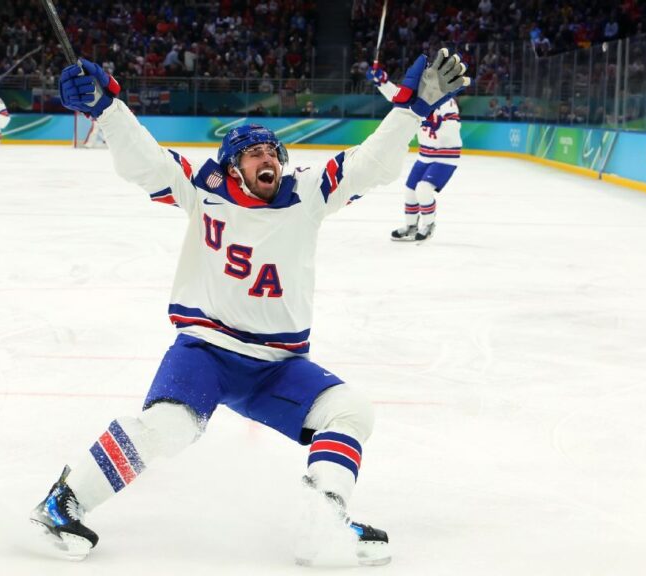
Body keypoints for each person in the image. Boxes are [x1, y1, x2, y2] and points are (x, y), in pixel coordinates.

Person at [30, 50, 468, 566]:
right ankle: (63, 501)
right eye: (254, 153)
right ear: (232, 165)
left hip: (277, 368)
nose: (268, 159)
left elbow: (371, 164)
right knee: (171, 426)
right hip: (207, 351)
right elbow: (144, 159)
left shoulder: (308, 191)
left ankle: (321, 523)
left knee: (350, 411)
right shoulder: (202, 190)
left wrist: (412, 110)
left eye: (272, 151)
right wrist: (107, 108)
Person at [368, 64, 462, 242]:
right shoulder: (418, 98)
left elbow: (452, 127)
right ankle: (411, 226)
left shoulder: (447, 102)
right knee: (410, 190)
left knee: (423, 189)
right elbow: (397, 96)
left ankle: (428, 224)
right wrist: (382, 81)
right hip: (425, 155)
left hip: (446, 156)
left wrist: (431, 121)